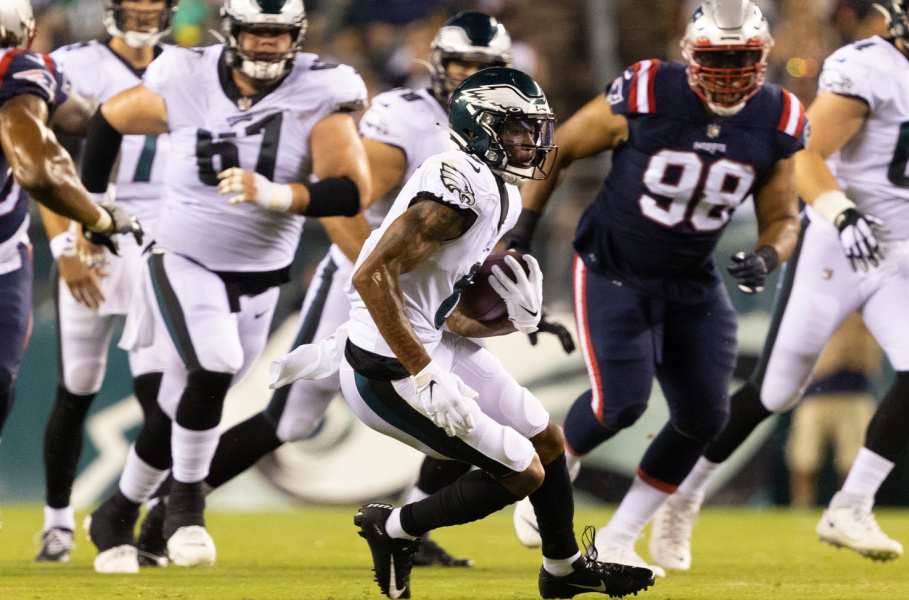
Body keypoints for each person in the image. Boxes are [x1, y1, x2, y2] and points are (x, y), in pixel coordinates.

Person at [129, 11, 574, 569]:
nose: (468, 74)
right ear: (438, 64)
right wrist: (366, 277)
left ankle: (416, 524)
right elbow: (350, 202)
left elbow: (464, 258)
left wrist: (501, 309)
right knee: (292, 420)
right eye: (461, 63)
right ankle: (170, 508)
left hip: (417, 287)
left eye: (482, 67)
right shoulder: (406, 118)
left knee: (469, 402)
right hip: (372, 281)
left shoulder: (508, 149)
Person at [272, 66, 654, 600]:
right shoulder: (458, 190)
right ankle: (395, 528)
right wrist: (424, 371)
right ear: (481, 127)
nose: (531, 141)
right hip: (387, 368)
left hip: (426, 341)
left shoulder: (502, 192)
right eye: (517, 128)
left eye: (534, 128)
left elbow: (440, 302)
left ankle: (563, 569)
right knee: (523, 473)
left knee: (547, 441)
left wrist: (510, 321)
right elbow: (370, 275)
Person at [655, 0, 909, 569]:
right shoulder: (866, 65)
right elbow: (806, 154)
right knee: (775, 390)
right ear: (897, 10)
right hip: (836, 244)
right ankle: (682, 493)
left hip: (905, 248)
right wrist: (841, 213)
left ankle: (853, 504)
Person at [505, 0, 804, 576]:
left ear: (762, 56)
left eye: (743, 56)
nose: (731, 70)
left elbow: (783, 216)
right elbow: (560, 147)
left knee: (705, 416)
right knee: (621, 404)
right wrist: (523, 230)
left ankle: (620, 537)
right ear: (690, 55)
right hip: (614, 265)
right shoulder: (648, 91)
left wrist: (768, 254)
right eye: (719, 57)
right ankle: (555, 464)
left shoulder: (776, 115)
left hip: (690, 279)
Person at [79, 0, 371, 573]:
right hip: (182, 255)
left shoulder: (321, 88)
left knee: (181, 403)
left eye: (278, 33)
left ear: (297, 36)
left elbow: (351, 188)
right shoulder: (185, 76)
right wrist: (94, 209)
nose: (266, 44)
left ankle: (116, 509)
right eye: (256, 32)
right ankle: (184, 509)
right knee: (214, 365)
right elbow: (109, 118)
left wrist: (277, 194)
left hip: (260, 278)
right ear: (231, 31)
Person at [35, 0, 175, 564]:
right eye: (135, 8)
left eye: (154, 8)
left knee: (161, 389)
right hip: (90, 230)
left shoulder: (192, 69)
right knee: (78, 386)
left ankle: (149, 514)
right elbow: (42, 163)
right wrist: (66, 245)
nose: (144, 17)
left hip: (164, 241)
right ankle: (58, 521)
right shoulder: (71, 64)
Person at [0, 0, 143, 518]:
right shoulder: (19, 66)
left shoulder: (24, 74)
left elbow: (79, 127)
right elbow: (41, 169)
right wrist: (100, 218)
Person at [784, 313, 880, 508]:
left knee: (854, 463)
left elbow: (868, 362)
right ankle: (801, 507)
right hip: (815, 397)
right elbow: (816, 363)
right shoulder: (814, 316)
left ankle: (850, 509)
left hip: (853, 396)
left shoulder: (864, 316)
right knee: (804, 460)